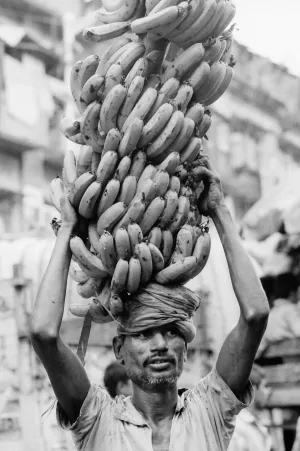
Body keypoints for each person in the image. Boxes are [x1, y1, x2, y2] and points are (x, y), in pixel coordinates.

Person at [30, 156, 269, 451]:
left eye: (171, 332)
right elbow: (43, 334)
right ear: (119, 348)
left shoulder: (211, 409)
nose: (160, 345)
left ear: (185, 346)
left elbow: (256, 315)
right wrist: (68, 227)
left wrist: (219, 210)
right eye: (143, 333)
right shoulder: (97, 418)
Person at [228, 364, 273, 451]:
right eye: (264, 386)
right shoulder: (236, 428)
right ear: (253, 389)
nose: (268, 392)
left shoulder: (255, 423)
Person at [257, 272, 300, 357]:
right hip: (292, 358)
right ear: (292, 292)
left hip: (271, 359)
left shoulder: (270, 314)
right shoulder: (290, 309)